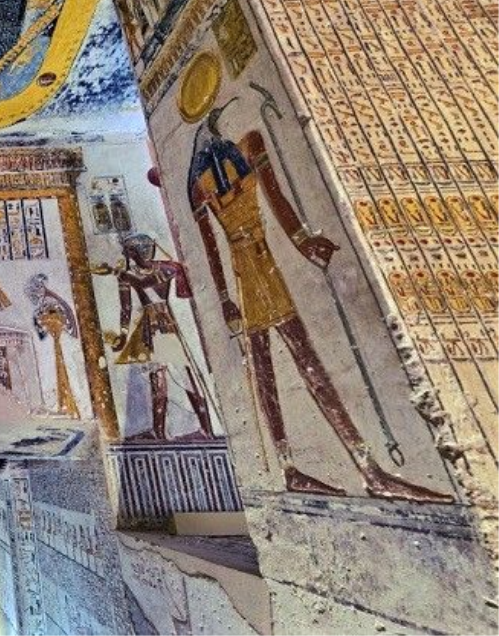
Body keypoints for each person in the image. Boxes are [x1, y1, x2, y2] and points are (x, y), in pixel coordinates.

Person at [187, 105, 451, 502]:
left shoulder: (250, 144)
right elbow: (211, 247)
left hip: (264, 265)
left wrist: (303, 242)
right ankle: (293, 468)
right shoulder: (199, 184)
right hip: (246, 276)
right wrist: (224, 299)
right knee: (267, 367)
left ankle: (366, 468)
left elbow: (277, 200)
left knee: (302, 362)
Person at [93, 234, 213, 441]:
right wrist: (123, 335)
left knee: (182, 375)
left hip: (163, 324)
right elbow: (126, 308)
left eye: (130, 251)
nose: (127, 255)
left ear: (140, 251)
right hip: (149, 326)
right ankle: (159, 431)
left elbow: (144, 283)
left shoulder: (162, 269)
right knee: (157, 377)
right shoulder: (129, 275)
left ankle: (205, 428)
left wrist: (115, 271)